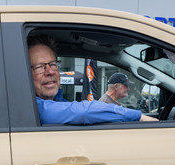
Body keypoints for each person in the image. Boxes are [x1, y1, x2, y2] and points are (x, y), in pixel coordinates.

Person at [27, 35, 157, 124]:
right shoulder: (36, 108)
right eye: (39, 67)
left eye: (53, 64)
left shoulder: (59, 102)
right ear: (25, 72)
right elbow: (82, 112)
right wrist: (139, 117)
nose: (50, 71)